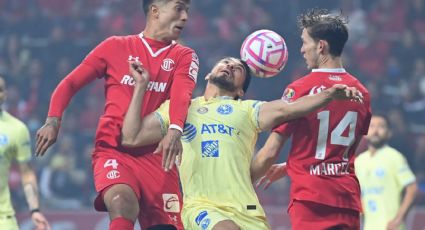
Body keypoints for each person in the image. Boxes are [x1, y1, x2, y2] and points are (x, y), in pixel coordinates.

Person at [121, 57, 362, 229]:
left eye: (238, 69)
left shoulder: (247, 110)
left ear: (240, 91)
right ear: (208, 73)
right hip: (204, 207)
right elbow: (132, 136)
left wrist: (328, 94)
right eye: (226, 62)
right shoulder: (181, 108)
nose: (230, 66)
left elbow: (288, 109)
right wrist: (140, 87)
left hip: (249, 212)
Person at [35, 0, 199, 229]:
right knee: (122, 203)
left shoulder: (185, 56)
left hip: (158, 157)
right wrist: (53, 120)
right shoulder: (115, 46)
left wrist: (175, 129)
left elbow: (182, 95)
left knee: (167, 226)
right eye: (179, 8)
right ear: (155, 10)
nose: (185, 17)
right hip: (114, 149)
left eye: (188, 12)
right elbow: (70, 83)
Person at [255, 9, 372, 229]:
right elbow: (346, 150)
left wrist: (241, 180)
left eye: (304, 42)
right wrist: (291, 165)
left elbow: (270, 152)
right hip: (347, 199)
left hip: (311, 199)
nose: (302, 49)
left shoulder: (299, 90)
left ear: (321, 46)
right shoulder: (361, 92)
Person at [0, 76, 51, 230]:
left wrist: (35, 210)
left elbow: (27, 173)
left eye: (1, 90)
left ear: (5, 94)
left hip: (4, 218)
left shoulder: (17, 129)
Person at [355, 114, 418, 230]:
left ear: (389, 133)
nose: (376, 130)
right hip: (368, 226)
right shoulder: (359, 161)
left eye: (381, 127)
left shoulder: (395, 157)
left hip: (391, 226)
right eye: (372, 126)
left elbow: (412, 188)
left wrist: (398, 219)